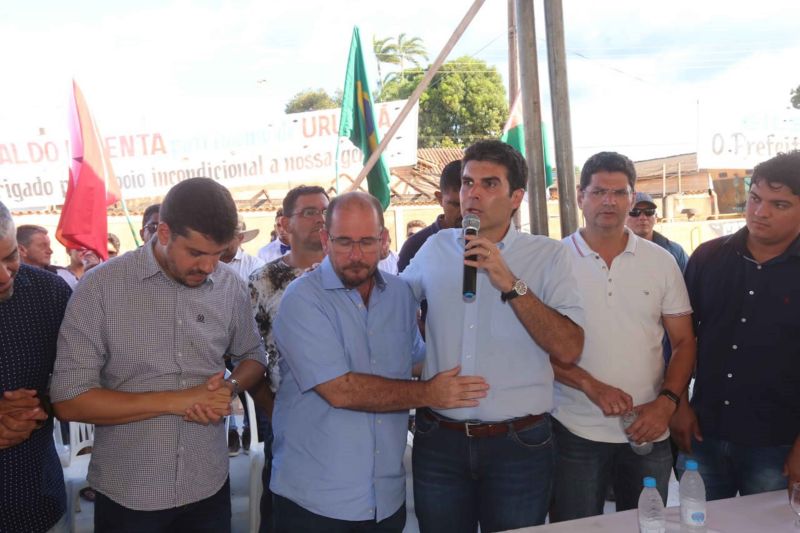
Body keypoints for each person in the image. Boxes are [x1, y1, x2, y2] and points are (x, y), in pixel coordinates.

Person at [50, 177, 268, 533]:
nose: (209, 267)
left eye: (218, 254)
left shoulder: (229, 285)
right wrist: (179, 401)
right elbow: (70, 400)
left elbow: (253, 355)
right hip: (129, 492)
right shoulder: (100, 289)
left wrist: (227, 388)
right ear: (163, 233)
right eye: (196, 253)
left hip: (208, 484)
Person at [270, 191, 489, 533]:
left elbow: (415, 359)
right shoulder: (303, 299)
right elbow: (340, 390)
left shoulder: (400, 295)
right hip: (316, 500)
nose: (355, 255)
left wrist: (485, 350)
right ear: (326, 239)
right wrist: (431, 393)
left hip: (385, 499)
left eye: (367, 242)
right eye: (344, 242)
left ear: (384, 240)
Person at [401, 140, 585, 531]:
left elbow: (569, 348)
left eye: (489, 184)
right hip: (440, 442)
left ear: (516, 196)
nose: (474, 194)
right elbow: (389, 310)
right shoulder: (435, 248)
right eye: (468, 183)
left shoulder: (549, 256)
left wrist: (510, 282)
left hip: (519, 445)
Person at [549, 151, 696, 521]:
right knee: (575, 529)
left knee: (647, 527)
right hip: (572, 429)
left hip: (648, 430)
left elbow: (684, 342)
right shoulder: (551, 261)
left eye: (619, 193)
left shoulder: (660, 260)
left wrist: (666, 404)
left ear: (632, 197)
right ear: (580, 196)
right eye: (599, 192)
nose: (608, 201)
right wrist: (591, 386)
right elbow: (537, 347)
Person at [671, 150, 800, 499]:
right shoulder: (708, 258)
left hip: (778, 444)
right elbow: (680, 340)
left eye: (780, 204)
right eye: (755, 198)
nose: (760, 212)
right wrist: (678, 403)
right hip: (702, 433)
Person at [248, 184, 329, 533]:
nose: (320, 219)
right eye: (309, 212)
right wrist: (273, 409)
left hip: (350, 420)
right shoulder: (263, 281)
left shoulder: (353, 275)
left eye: (325, 211)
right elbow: (246, 355)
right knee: (286, 515)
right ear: (285, 224)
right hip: (287, 419)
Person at [1, 202, 71, 533]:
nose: (4, 276)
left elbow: (82, 377)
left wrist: (37, 407)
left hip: (35, 499)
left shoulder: (49, 293)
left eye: (9, 256)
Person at [397, 159, 463, 272]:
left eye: (470, 204)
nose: (463, 212)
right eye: (456, 204)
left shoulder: (489, 242)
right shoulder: (415, 245)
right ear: (440, 198)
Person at [625, 192, 688, 271]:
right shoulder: (613, 253)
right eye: (635, 212)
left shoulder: (675, 252)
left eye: (649, 211)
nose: (643, 217)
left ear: (655, 216)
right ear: (624, 217)